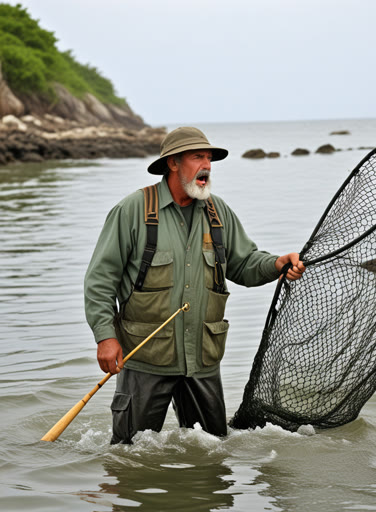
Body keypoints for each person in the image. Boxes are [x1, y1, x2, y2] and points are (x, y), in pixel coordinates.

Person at [84, 126, 305, 443]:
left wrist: (277, 264)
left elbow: (244, 264)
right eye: (197, 157)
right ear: (173, 163)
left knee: (213, 453)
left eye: (210, 158)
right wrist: (105, 337)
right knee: (129, 459)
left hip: (202, 361)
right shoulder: (131, 211)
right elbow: (99, 281)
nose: (207, 166)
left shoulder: (219, 213)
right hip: (147, 359)